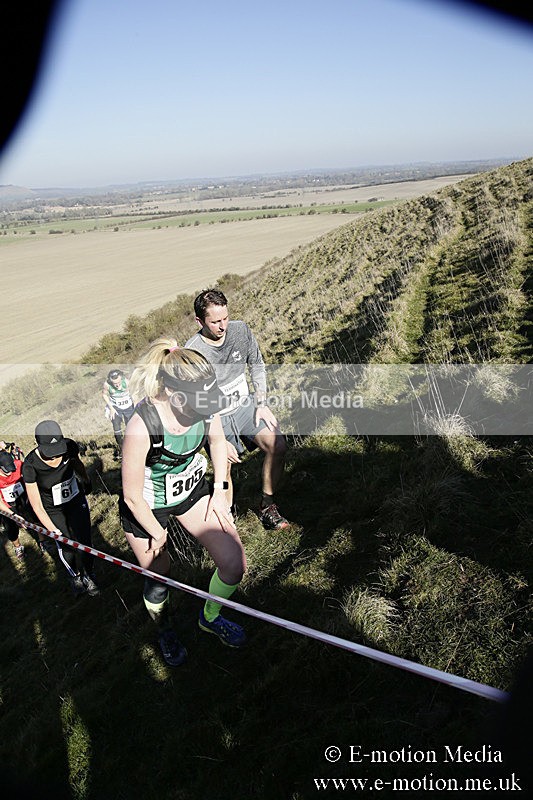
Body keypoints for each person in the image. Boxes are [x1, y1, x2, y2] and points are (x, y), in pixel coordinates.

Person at [120, 338, 247, 667]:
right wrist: (157, 532)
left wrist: (219, 489)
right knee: (160, 576)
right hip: (148, 507)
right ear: (174, 395)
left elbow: (217, 442)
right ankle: (164, 630)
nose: (208, 410)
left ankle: (211, 615)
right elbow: (132, 496)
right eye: (199, 405)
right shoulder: (142, 425)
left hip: (190, 490)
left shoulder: (204, 402)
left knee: (233, 562)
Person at [185, 288, 289, 530]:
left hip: (245, 406)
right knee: (225, 467)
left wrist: (261, 403)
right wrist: (218, 439)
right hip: (215, 416)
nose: (223, 326)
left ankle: (267, 505)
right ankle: (228, 522)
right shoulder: (193, 353)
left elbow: (257, 364)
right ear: (200, 321)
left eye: (225, 318)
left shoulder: (240, 330)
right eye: (215, 322)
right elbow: (196, 405)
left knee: (278, 445)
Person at [22, 420, 99, 596]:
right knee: (66, 544)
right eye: (50, 453)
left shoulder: (70, 446)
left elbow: (76, 463)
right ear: (38, 444)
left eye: (58, 452)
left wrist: (85, 479)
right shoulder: (30, 465)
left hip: (75, 499)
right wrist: (52, 530)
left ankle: (89, 574)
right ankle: (75, 576)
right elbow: (36, 505)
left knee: (85, 540)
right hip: (52, 509)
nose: (55, 457)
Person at [0, 447, 28, 559]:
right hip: (6, 504)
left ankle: (43, 541)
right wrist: (14, 516)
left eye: (12, 469)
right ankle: (17, 546)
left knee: (34, 517)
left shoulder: (19, 464)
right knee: (11, 526)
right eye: (7, 470)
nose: (10, 472)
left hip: (23, 497)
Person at [102, 369, 135, 451]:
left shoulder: (126, 382)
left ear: (121, 379)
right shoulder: (107, 385)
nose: (117, 385)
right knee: (116, 427)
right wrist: (111, 408)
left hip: (128, 406)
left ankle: (133, 445)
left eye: (118, 383)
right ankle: (121, 448)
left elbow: (134, 392)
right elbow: (104, 395)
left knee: (131, 426)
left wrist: (135, 404)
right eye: (114, 383)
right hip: (115, 407)